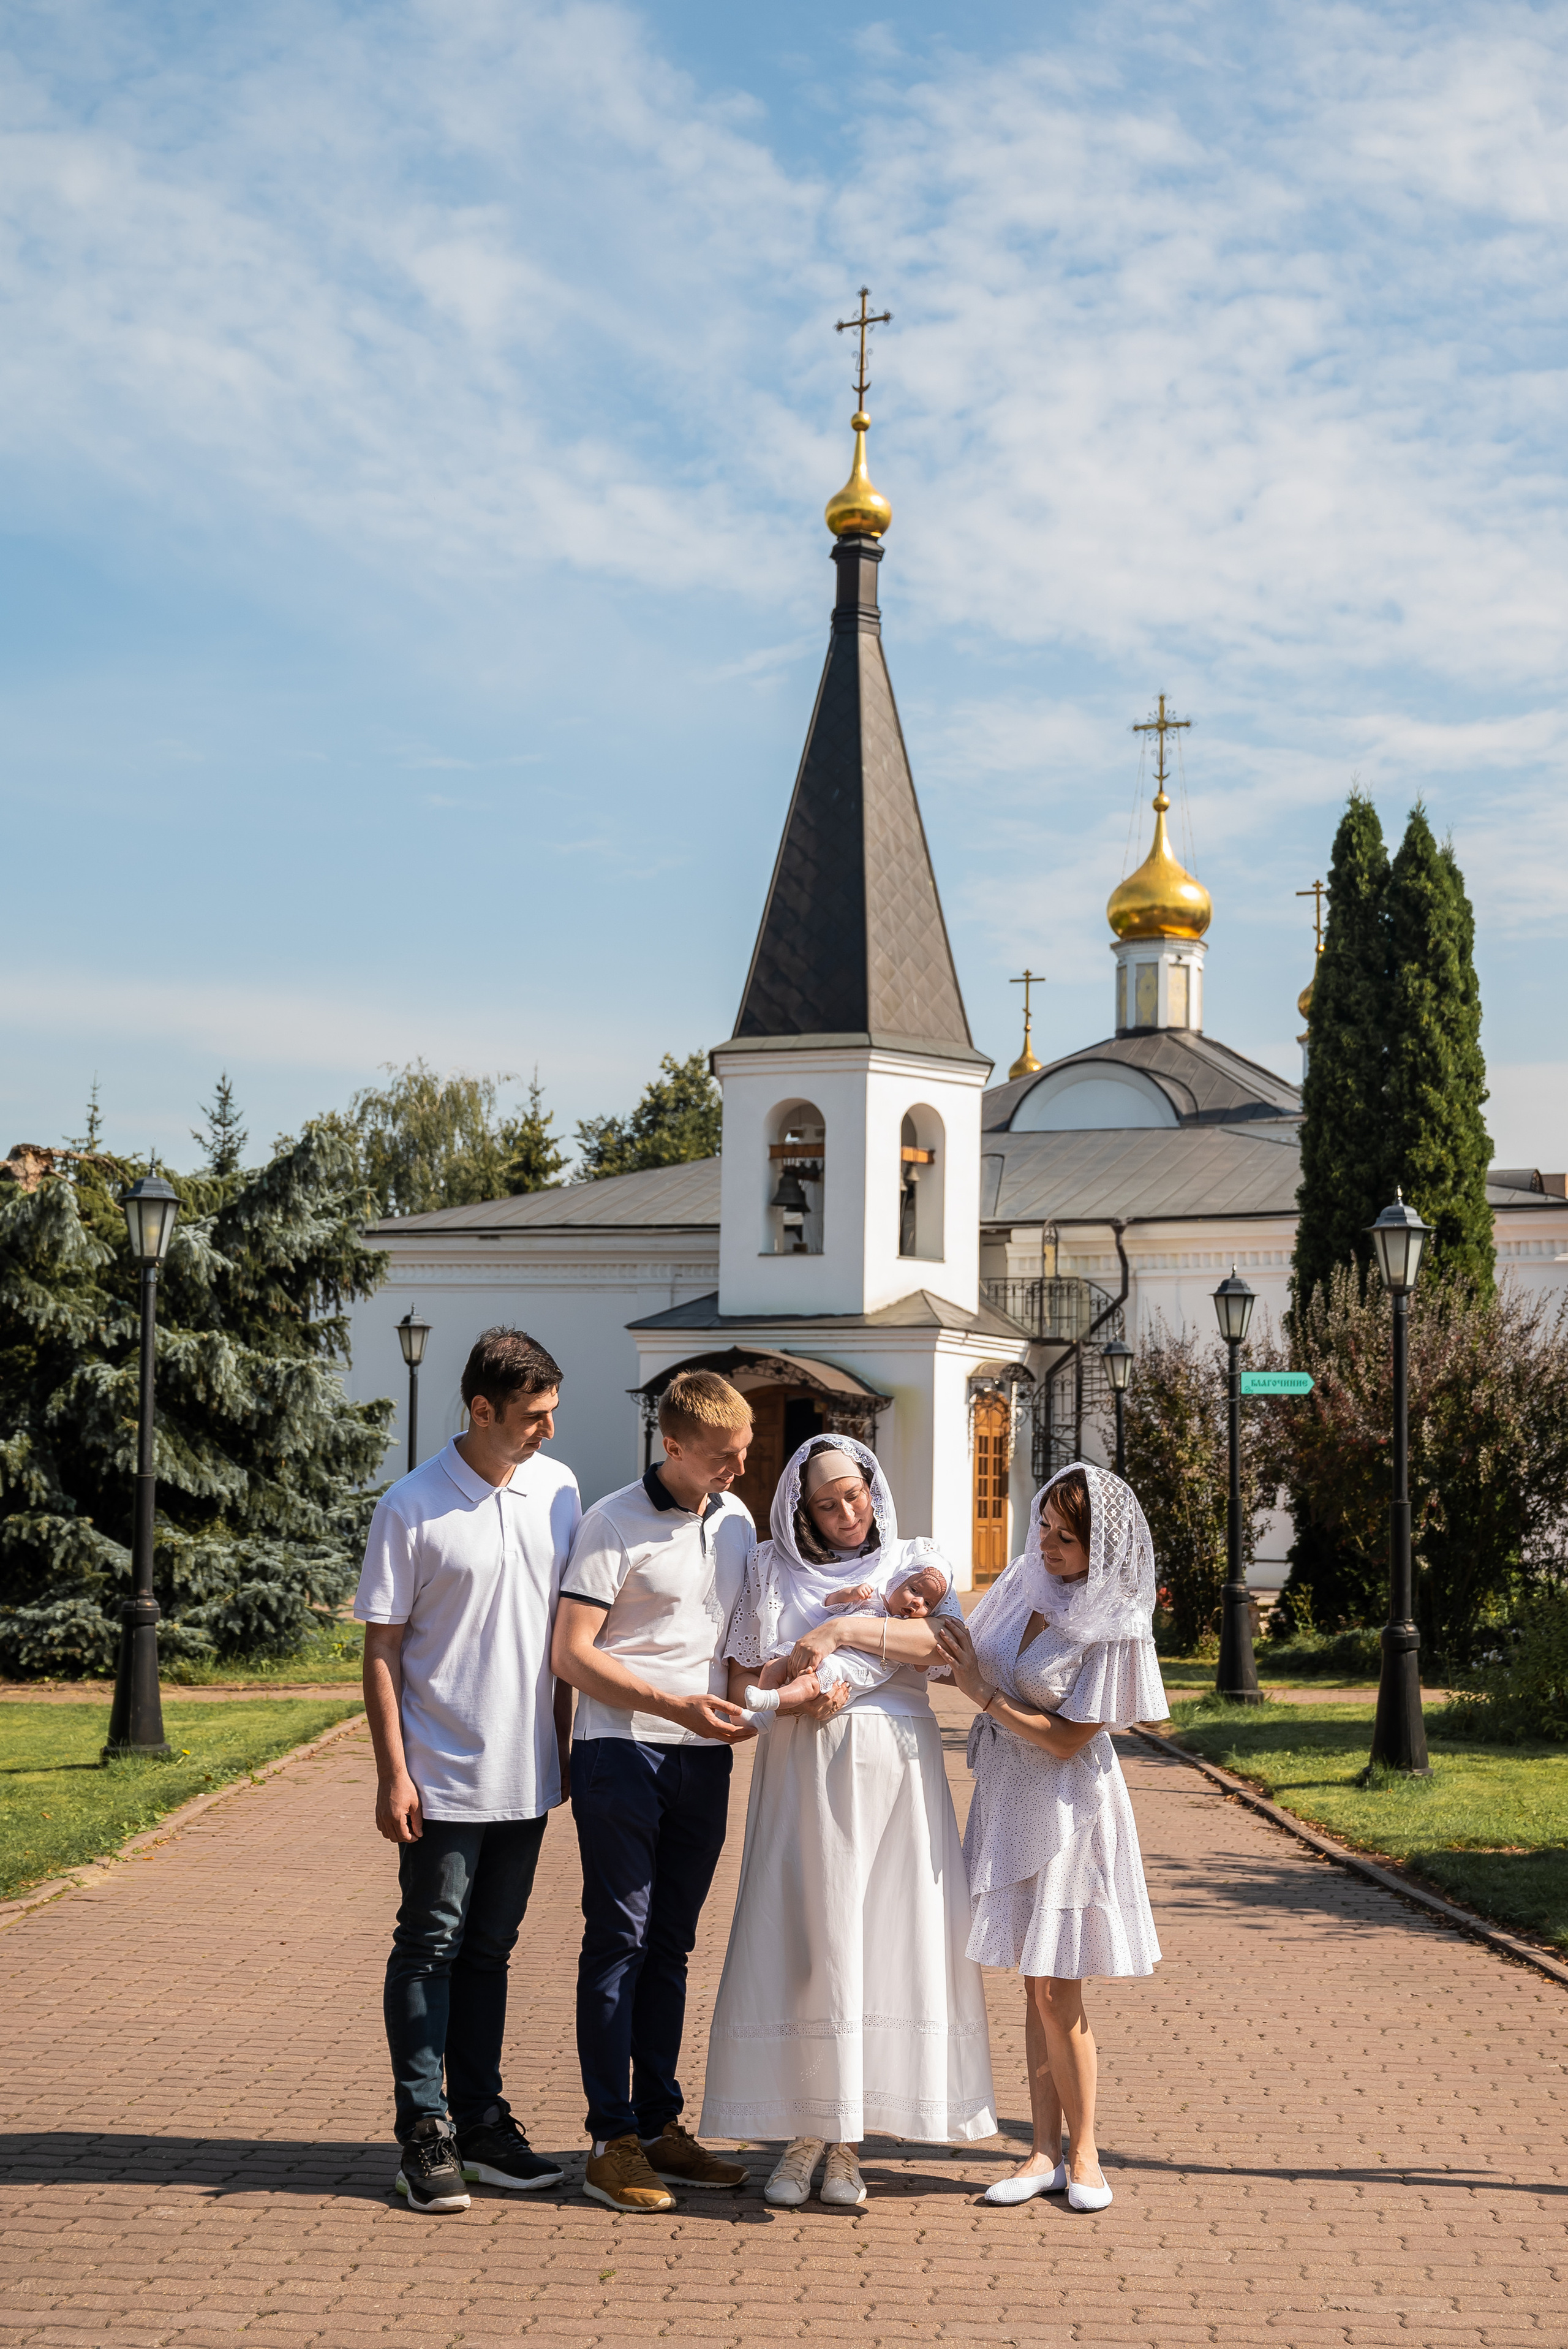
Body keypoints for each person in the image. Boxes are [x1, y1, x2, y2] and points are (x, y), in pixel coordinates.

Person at [699, 1436, 996, 2212]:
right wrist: (797, 1678)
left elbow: (943, 1644)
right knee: (808, 1943)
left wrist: (838, 1632)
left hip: (896, 1770)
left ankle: (850, 2145)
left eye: (854, 1496)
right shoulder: (769, 1568)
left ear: (873, 1487)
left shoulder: (912, 1557)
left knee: (877, 1940)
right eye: (827, 1504)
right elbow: (744, 1675)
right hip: (803, 1768)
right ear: (802, 1507)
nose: (845, 1514)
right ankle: (803, 2133)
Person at [355, 1327, 581, 2215]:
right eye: (533, 1416)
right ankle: (424, 2130)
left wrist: (563, 1745)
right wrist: (391, 1774)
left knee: (491, 1949)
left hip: (526, 1774)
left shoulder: (558, 1490)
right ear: (481, 1409)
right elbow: (381, 1648)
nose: (548, 1432)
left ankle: (482, 2125)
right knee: (430, 1944)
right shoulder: (410, 1506)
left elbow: (563, 1634)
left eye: (553, 1413)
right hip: (441, 1775)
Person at [551, 1369, 758, 2215]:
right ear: (672, 1446)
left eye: (744, 1453)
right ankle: (611, 2140)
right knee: (620, 1941)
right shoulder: (611, 1521)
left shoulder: (739, 1520)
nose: (738, 1469)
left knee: (671, 1944)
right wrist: (674, 1702)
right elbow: (572, 1652)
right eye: (721, 1456)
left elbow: (737, 1641)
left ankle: (661, 2121)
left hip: (702, 1759)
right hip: (621, 1753)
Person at [935, 1461, 1167, 2215]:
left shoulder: (1113, 1622)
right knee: (1034, 1987)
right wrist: (890, 1604)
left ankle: (1086, 2152)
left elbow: (1070, 1741)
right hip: (1007, 1797)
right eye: (1044, 1527)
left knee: (1058, 1986)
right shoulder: (1019, 1585)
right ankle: (1039, 2151)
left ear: (1102, 1548)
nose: (1049, 1545)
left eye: (1068, 1538)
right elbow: (958, 1645)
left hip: (1069, 1808)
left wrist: (983, 1696)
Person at [742, 1553, 958, 1717]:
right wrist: (850, 1594)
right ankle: (762, 1717)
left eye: (928, 1604)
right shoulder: (869, 1599)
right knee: (772, 1668)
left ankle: (772, 1699)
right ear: (897, 1582)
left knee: (810, 1684)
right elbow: (829, 1604)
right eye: (914, 1590)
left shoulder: (911, 1627)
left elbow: (922, 1663)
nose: (918, 1602)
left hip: (847, 1669)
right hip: (818, 1653)